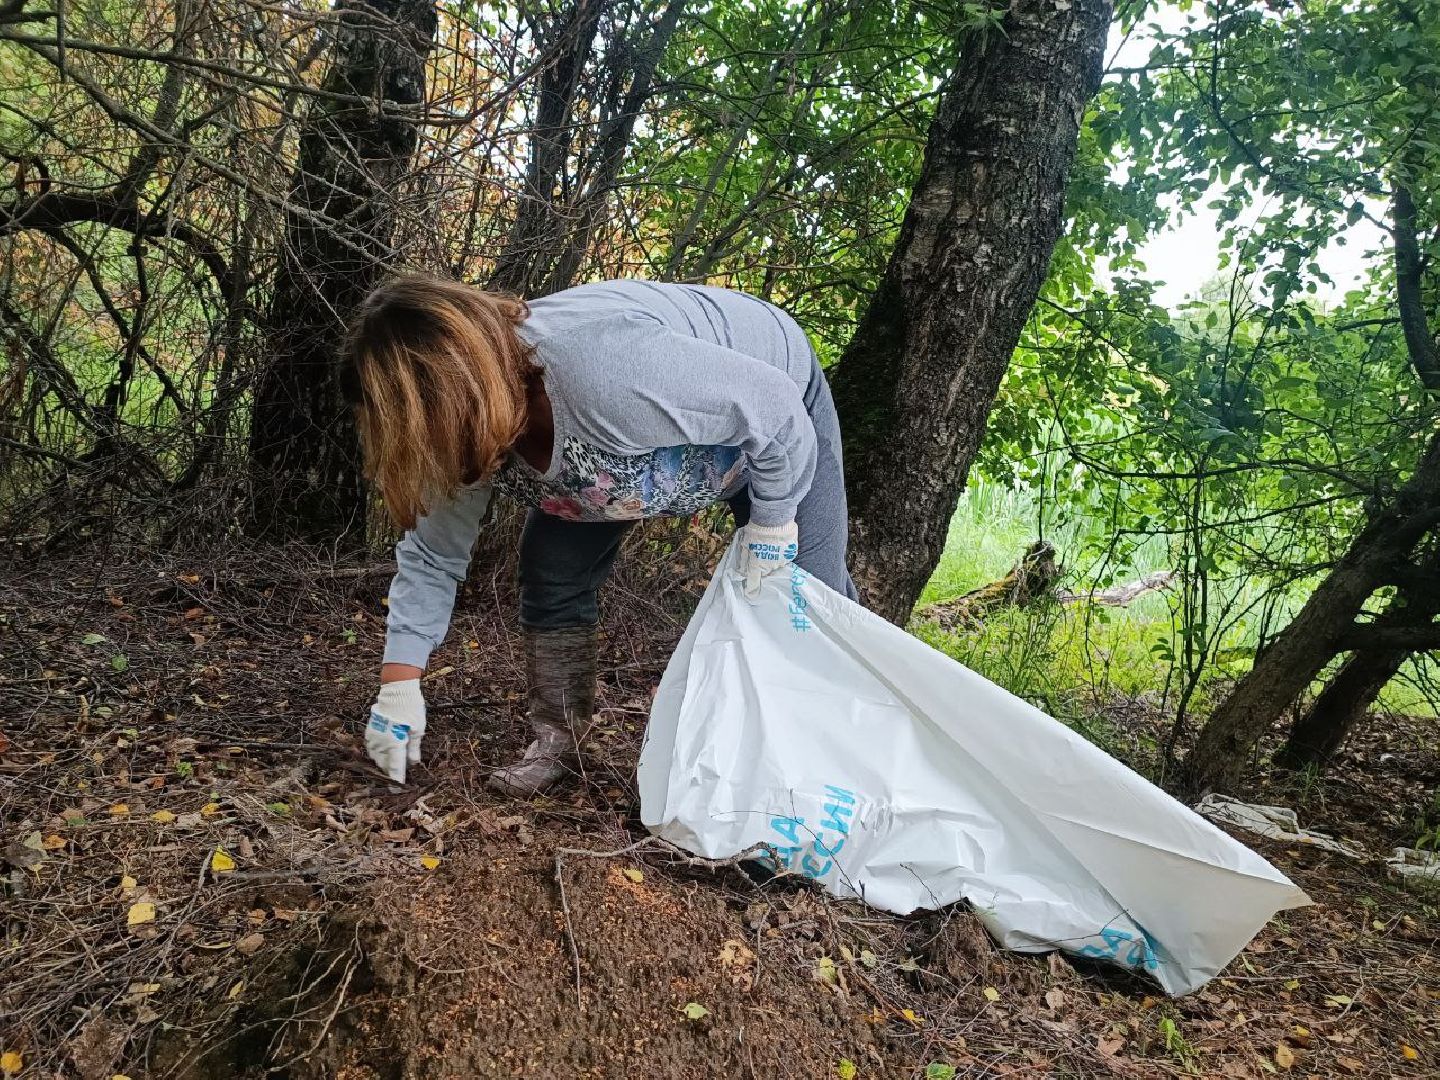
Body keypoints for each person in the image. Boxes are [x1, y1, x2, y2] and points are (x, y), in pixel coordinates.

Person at [341, 275, 857, 795]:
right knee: (553, 570)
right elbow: (433, 558)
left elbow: (772, 408)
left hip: (772, 424)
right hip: (630, 467)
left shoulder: (604, 369)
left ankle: (832, 771)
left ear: (453, 399)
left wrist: (771, 530)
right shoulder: (466, 427)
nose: (418, 449)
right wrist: (399, 686)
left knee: (807, 598)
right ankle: (559, 742)